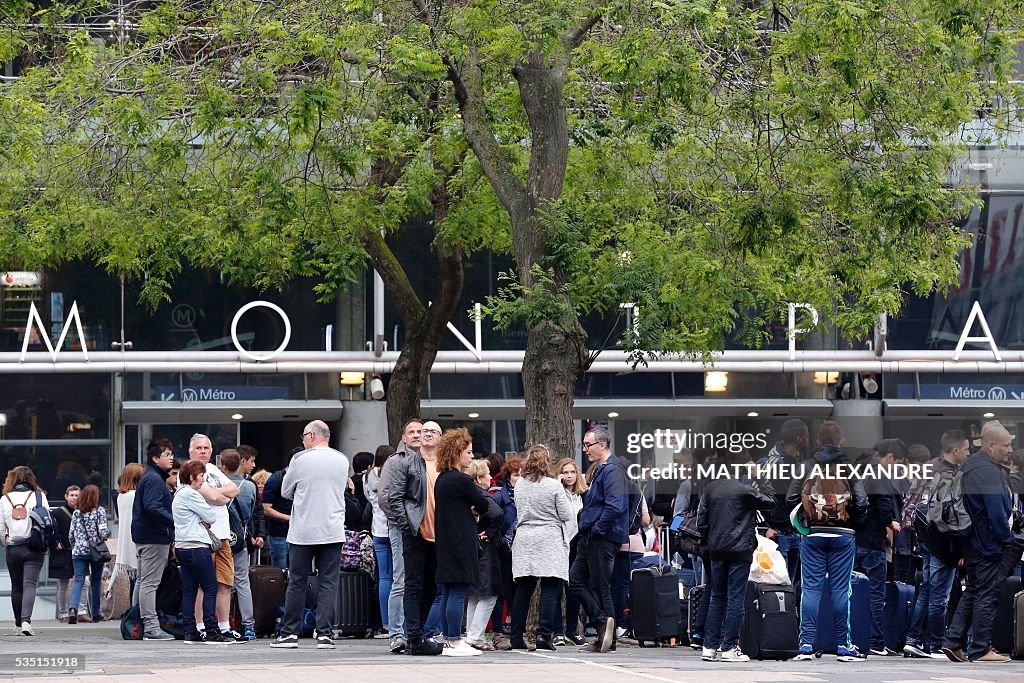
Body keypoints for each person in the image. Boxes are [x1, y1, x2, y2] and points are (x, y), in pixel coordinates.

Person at [786, 420, 869, 662]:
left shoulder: (807, 465)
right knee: (842, 590)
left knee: (810, 589)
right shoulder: (849, 467)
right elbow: (863, 502)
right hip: (843, 536)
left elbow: (791, 497)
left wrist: (804, 521)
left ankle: (806, 644)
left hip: (813, 534)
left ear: (819, 442)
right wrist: (853, 520)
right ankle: (844, 644)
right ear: (841, 441)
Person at [942, 420, 1017, 663]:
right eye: (1005, 446)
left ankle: (953, 642)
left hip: (971, 541)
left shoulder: (968, 466)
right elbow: (996, 512)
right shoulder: (988, 471)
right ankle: (981, 649)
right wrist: (1007, 540)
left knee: (973, 591)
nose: (1009, 450)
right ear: (990, 445)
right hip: (988, 543)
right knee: (987, 594)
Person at [270, 420, 349, 650]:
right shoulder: (341, 460)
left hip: (303, 529)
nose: (302, 440)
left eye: (304, 436)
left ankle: (289, 634)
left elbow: (285, 491)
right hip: (332, 529)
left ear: (312, 436)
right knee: (328, 583)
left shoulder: (300, 460)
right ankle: (324, 634)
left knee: (297, 582)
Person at [696, 451, 776, 662]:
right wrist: (759, 476)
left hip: (717, 550)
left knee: (717, 597)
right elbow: (771, 501)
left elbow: (701, 523)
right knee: (736, 599)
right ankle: (730, 647)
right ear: (743, 467)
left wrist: (710, 539)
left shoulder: (710, 489)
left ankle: (709, 646)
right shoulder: (745, 490)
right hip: (740, 550)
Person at [904, 429, 969, 659]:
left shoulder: (926, 468)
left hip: (923, 536)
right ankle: (936, 644)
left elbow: (909, 504)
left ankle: (913, 640)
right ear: (955, 450)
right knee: (940, 597)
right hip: (942, 539)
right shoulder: (952, 476)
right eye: (967, 449)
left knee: (927, 591)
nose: (968, 453)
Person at [433, 428, 498, 656]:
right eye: (468, 452)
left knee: (449, 591)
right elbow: (482, 504)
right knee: (458, 591)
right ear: (457, 452)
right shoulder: (461, 480)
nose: (471, 456)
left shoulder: (442, 479)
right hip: (461, 542)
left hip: (445, 542)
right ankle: (454, 640)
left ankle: (449, 638)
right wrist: (474, 508)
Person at [386, 417, 444, 656]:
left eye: (431, 430)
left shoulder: (445, 464)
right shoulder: (407, 463)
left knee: (431, 586)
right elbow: (393, 498)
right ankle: (415, 638)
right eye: (423, 430)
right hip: (415, 532)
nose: (426, 434)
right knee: (412, 585)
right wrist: (409, 526)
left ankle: (415, 634)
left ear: (440, 438)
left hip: (439, 534)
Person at [510, 445, 576, 651]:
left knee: (523, 589)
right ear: (547, 461)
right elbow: (566, 514)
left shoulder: (520, 484)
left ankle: (516, 636)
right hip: (549, 538)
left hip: (524, 538)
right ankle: (544, 635)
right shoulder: (553, 486)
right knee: (550, 587)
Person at [571, 427, 629, 654]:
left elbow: (616, 505)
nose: (585, 449)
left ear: (602, 444)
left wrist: (597, 529)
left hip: (601, 537)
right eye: (584, 445)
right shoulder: (602, 470)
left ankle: (607, 636)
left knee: (600, 586)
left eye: (588, 445)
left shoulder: (612, 470)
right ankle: (602, 624)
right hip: (593, 535)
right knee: (577, 580)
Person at [179, 433, 241, 642]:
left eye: (206, 448)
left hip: (222, 535)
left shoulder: (213, 470)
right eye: (198, 448)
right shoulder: (189, 472)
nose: (203, 451)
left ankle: (224, 628)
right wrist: (221, 495)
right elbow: (215, 497)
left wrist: (219, 494)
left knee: (225, 583)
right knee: (202, 586)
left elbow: (234, 489)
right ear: (190, 451)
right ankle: (201, 627)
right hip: (202, 538)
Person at [855, 438, 905, 657]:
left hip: (854, 540)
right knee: (876, 593)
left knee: (854, 591)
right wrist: (890, 521)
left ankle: (853, 638)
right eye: (897, 463)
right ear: (890, 457)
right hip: (874, 541)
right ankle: (875, 641)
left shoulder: (858, 470)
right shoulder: (879, 473)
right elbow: (884, 503)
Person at [378, 418, 423, 654]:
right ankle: (397, 633)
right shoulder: (395, 462)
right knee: (401, 579)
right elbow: (385, 498)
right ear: (403, 438)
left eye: (420, 431)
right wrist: (404, 523)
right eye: (412, 432)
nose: (416, 435)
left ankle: (417, 630)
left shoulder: (430, 461)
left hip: (427, 528)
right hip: (401, 528)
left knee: (420, 581)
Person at [173, 460, 228, 644]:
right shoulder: (192, 494)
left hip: (182, 546)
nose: (203, 481)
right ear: (191, 477)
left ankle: (190, 631)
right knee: (210, 588)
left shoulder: (178, 494)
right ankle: (212, 630)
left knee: (189, 590)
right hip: (197, 546)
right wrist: (203, 519)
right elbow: (211, 515)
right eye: (201, 478)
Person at [132, 438, 176, 640]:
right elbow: (152, 507)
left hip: (147, 536)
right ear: (155, 458)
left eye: (171, 454)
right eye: (167, 455)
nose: (171, 458)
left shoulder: (150, 477)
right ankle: (150, 626)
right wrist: (175, 520)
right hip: (154, 537)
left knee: (143, 581)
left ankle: (135, 621)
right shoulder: (154, 479)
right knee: (150, 582)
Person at [756, 419, 809, 584]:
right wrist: (764, 526)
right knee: (777, 588)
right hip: (776, 534)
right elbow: (751, 497)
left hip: (795, 533)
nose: (809, 440)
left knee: (791, 588)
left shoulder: (800, 464)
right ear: (799, 439)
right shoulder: (769, 465)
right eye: (806, 436)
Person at [1, 465, 50, 635]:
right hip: (34, 546)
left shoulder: (4, 499)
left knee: (16, 586)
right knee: (30, 584)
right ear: (31, 479)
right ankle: (26, 622)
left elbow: (1, 528)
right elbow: (47, 520)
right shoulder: (39, 496)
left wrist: (6, 541)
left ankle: (16, 624)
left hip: (13, 548)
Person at [221, 448, 263, 641]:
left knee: (222, 583)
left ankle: (224, 622)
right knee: (242, 582)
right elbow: (254, 512)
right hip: (241, 538)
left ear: (223, 465)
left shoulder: (218, 484)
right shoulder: (250, 486)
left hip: (221, 538)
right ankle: (249, 625)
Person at [464, 459, 503, 651]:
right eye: (487, 474)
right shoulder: (482, 495)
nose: (490, 477)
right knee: (488, 596)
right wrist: (489, 532)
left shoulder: (468, 495)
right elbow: (497, 513)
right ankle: (475, 636)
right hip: (486, 550)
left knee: (474, 595)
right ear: (479, 478)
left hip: (472, 547)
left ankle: (471, 634)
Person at [553, 457, 587, 645]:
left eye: (572, 472)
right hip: (559, 543)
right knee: (557, 590)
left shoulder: (583, 494)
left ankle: (572, 629)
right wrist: (558, 485)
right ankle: (557, 631)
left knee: (573, 589)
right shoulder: (557, 492)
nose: (569, 476)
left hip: (576, 544)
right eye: (565, 472)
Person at [489, 456, 522, 647]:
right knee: (502, 591)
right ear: (509, 477)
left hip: (521, 550)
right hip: (502, 550)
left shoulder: (526, 496)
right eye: (516, 475)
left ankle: (518, 629)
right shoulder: (500, 497)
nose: (519, 479)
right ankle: (498, 632)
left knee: (518, 591)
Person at [365, 444, 396, 638]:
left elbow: (370, 499)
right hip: (393, 526)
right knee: (398, 578)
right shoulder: (391, 473)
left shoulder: (368, 476)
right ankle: (396, 622)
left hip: (377, 529)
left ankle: (384, 623)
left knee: (384, 577)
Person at [68, 484, 110, 625]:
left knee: (79, 580)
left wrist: (76, 546)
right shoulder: (100, 512)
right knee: (96, 581)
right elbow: (103, 533)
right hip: (96, 552)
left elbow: (71, 534)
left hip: (79, 552)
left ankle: (73, 609)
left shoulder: (76, 513)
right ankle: (96, 613)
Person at [110, 463, 144, 599]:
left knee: (134, 581)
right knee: (140, 581)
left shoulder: (121, 496)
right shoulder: (135, 496)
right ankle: (136, 614)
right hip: (137, 541)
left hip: (127, 542)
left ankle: (133, 613)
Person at [50, 485, 78, 622]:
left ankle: (78, 610)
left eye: (77, 495)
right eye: (71, 495)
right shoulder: (57, 513)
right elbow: (51, 531)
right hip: (62, 552)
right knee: (63, 584)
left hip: (78, 552)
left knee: (83, 582)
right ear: (66, 496)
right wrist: (55, 543)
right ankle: (62, 613)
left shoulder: (82, 512)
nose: (74, 498)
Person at [261, 457, 294, 569]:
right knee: (280, 571)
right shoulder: (276, 479)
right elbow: (266, 508)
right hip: (279, 533)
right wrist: (289, 518)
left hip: (297, 534)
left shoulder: (302, 479)